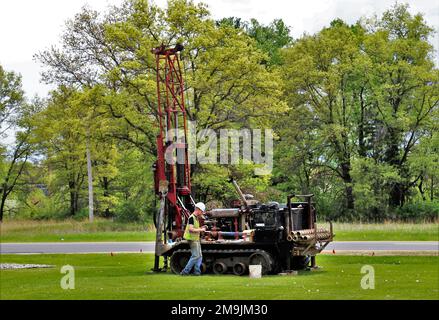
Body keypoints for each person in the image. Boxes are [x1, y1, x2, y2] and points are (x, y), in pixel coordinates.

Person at [180, 202, 207, 276]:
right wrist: (201, 230)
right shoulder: (191, 218)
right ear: (198, 210)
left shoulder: (196, 218)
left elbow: (195, 228)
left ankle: (197, 272)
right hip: (192, 239)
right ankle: (185, 272)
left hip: (195, 238)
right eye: (201, 211)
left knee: (199, 255)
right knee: (195, 256)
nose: (202, 213)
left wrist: (201, 228)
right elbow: (191, 229)